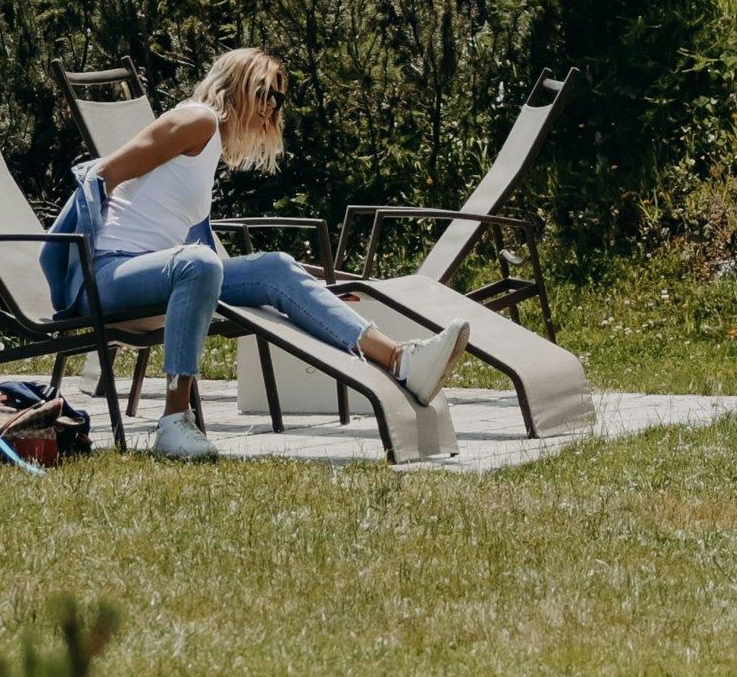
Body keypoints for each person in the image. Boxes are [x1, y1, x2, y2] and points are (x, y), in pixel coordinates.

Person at [53, 48, 470, 463]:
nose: (271, 105)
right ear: (236, 86)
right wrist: (72, 265)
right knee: (198, 263)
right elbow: (101, 175)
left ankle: (400, 360)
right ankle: (174, 421)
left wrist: (309, 293)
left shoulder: (209, 143)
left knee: (276, 267)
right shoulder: (195, 119)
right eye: (264, 92)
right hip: (106, 275)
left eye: (278, 97)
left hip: (159, 274)